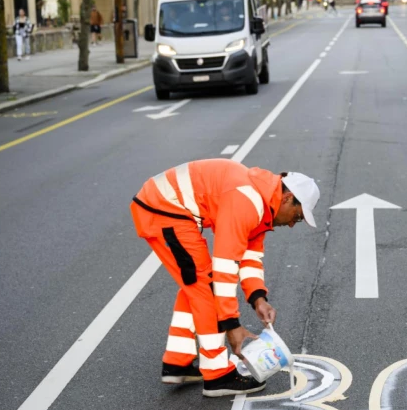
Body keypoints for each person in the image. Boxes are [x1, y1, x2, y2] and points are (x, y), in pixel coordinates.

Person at [130, 159, 320, 397]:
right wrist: (232, 325)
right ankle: (217, 375)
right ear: (287, 197)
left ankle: (177, 362)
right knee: (206, 288)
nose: (293, 224)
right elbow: (225, 267)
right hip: (163, 209)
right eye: (298, 216)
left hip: (168, 207)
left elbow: (250, 258)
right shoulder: (247, 201)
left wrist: (258, 298)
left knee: (196, 286)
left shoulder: (263, 205)